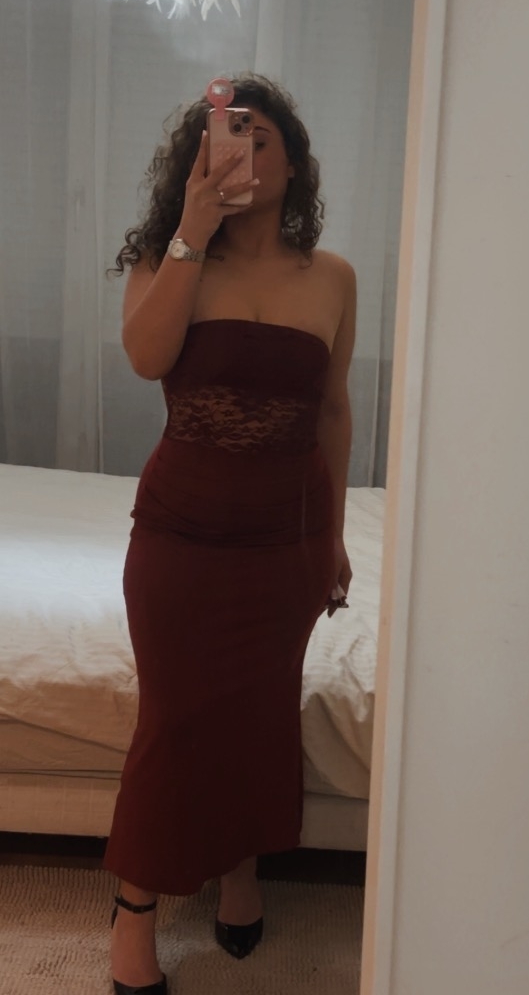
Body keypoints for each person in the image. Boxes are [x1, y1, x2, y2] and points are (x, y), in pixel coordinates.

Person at [103, 73, 356, 995]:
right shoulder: (167, 257)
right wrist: (190, 232)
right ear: (198, 157)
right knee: (173, 722)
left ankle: (241, 872)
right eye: (224, 135)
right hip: (181, 534)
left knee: (259, 712)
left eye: (259, 135)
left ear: (291, 161)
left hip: (287, 539)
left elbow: (331, 412)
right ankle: (134, 913)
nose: (241, 150)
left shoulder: (331, 277)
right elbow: (146, 359)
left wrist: (333, 539)